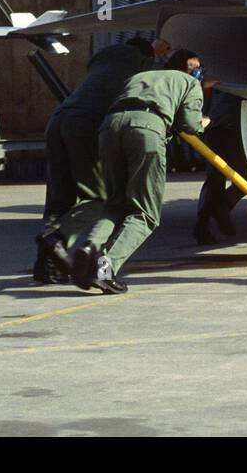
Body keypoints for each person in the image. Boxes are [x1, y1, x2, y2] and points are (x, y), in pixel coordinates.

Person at [65, 49, 205, 293]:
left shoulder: (141, 76)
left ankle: (89, 246)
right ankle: (105, 267)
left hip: (110, 128)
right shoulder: (189, 82)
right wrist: (204, 122)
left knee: (115, 204)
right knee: (145, 214)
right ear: (193, 69)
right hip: (147, 130)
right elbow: (190, 126)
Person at [33, 36, 169, 283]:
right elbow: (154, 84)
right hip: (86, 122)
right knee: (99, 197)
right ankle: (58, 239)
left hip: (60, 118)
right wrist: (154, 51)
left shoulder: (103, 58)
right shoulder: (137, 60)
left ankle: (46, 265)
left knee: (59, 196)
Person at [192, 84, 247, 245]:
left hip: (218, 129)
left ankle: (208, 220)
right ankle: (219, 211)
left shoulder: (222, 76)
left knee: (216, 180)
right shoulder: (236, 78)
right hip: (228, 130)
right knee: (243, 179)